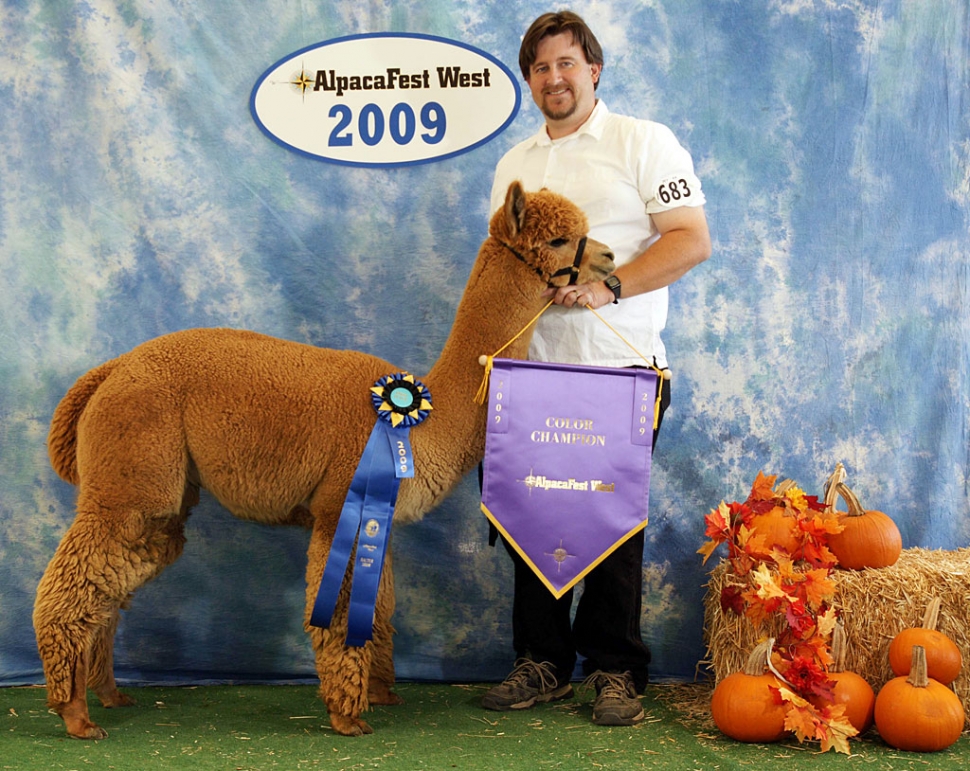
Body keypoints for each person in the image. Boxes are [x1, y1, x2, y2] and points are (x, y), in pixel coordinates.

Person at [482, 11, 712, 726]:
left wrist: (608, 285)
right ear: (530, 79)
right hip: (533, 371)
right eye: (541, 67)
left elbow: (690, 240)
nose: (555, 77)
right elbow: (505, 262)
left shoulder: (644, 141)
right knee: (532, 516)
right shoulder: (514, 164)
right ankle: (542, 661)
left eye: (567, 64)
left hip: (621, 368)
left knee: (612, 526)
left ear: (594, 69)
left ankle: (616, 669)